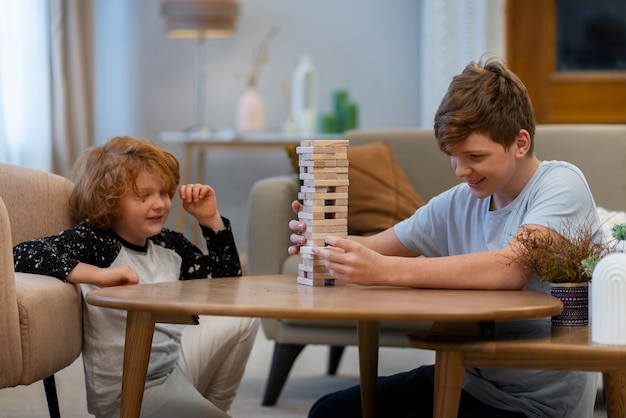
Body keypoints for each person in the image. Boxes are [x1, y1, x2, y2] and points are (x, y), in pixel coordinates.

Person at [288, 59, 600, 417]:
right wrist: (321, 240)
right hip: (467, 379)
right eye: (453, 156)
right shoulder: (460, 201)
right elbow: (374, 246)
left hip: (538, 403)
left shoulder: (561, 184)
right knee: (328, 412)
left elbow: (510, 268)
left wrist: (384, 271)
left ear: (520, 142)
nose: (461, 170)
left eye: (475, 157)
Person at [13, 136, 259, 418]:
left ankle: (209, 409)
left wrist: (210, 220)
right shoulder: (96, 242)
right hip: (129, 393)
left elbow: (227, 286)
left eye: (164, 193)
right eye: (144, 196)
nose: (160, 204)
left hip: (174, 367)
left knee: (243, 318)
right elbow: (21, 253)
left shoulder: (169, 244)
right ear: (110, 201)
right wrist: (98, 275)